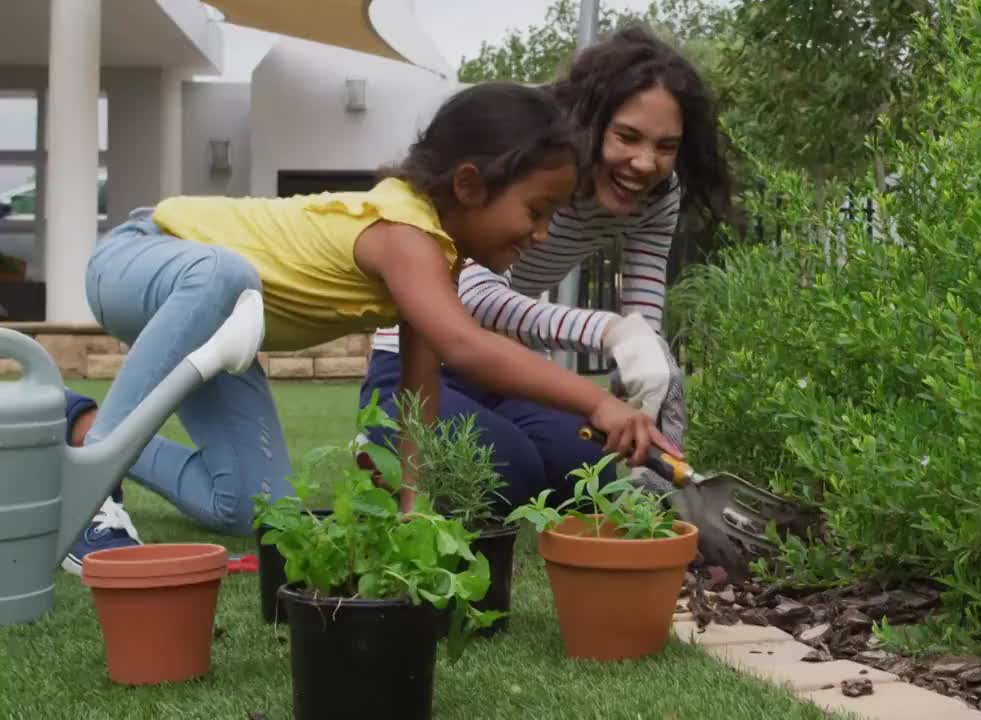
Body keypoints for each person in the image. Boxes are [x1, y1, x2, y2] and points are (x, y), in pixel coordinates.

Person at [57, 81, 677, 575]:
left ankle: (80, 431)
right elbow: (467, 343)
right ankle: (90, 497)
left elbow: (419, 390)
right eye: (536, 211)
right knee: (225, 274)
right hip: (140, 258)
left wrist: (413, 511)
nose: (542, 233)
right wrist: (599, 400)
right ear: (468, 185)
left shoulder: (440, 256)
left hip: (217, 325)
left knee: (251, 507)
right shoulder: (403, 230)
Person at [357, 25, 734, 512]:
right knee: (504, 473)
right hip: (416, 359)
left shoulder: (657, 198)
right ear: (590, 122)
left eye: (666, 146)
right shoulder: (533, 166)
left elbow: (642, 321)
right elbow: (473, 295)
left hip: (505, 371)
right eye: (627, 136)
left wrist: (642, 412)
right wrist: (611, 331)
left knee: (582, 468)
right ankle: (378, 442)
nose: (645, 162)